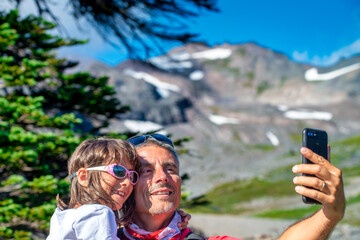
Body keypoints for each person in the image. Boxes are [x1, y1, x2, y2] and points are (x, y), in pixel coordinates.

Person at [120, 134, 345, 240]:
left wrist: (330, 214)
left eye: (170, 169)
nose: (162, 177)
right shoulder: (97, 234)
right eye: (146, 170)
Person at [47, 137, 140, 239]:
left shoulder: (61, 216)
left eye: (131, 176)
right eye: (118, 171)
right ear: (84, 177)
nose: (127, 182)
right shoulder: (99, 212)